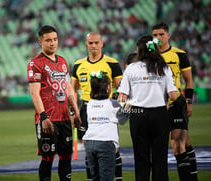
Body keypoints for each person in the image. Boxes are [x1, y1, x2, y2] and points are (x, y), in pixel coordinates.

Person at [118, 35, 178, 181]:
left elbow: (122, 97)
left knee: (141, 158)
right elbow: (173, 95)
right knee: (160, 157)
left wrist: (126, 111)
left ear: (139, 50)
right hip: (160, 114)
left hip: (138, 114)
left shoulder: (131, 68)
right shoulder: (164, 67)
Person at [27, 25, 81, 181]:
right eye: (48, 40)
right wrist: (43, 117)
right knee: (48, 158)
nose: (53, 43)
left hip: (64, 118)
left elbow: (69, 90)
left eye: (55, 39)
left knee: (66, 156)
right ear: (40, 42)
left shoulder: (63, 62)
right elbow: (34, 93)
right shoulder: (35, 64)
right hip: (48, 120)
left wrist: (75, 112)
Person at [71, 32, 123, 181]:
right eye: (90, 43)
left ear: (101, 44)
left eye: (96, 43)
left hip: (107, 108)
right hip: (86, 108)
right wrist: (74, 111)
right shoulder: (78, 65)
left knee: (113, 148)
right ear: (86, 44)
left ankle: (118, 178)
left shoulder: (112, 63)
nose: (93, 46)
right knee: (89, 149)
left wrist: (117, 106)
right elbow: (73, 90)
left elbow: (121, 88)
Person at [152, 22, 198, 181]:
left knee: (177, 146)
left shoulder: (179, 54)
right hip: (157, 107)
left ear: (168, 35)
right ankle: (194, 176)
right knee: (185, 144)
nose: (158, 38)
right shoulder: (150, 56)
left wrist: (189, 102)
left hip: (176, 105)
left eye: (161, 34)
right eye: (155, 35)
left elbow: (189, 81)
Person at [83, 71, 129, 181]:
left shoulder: (89, 104)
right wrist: (126, 105)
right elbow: (123, 120)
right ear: (108, 88)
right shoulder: (113, 104)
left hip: (89, 144)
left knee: (95, 178)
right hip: (106, 143)